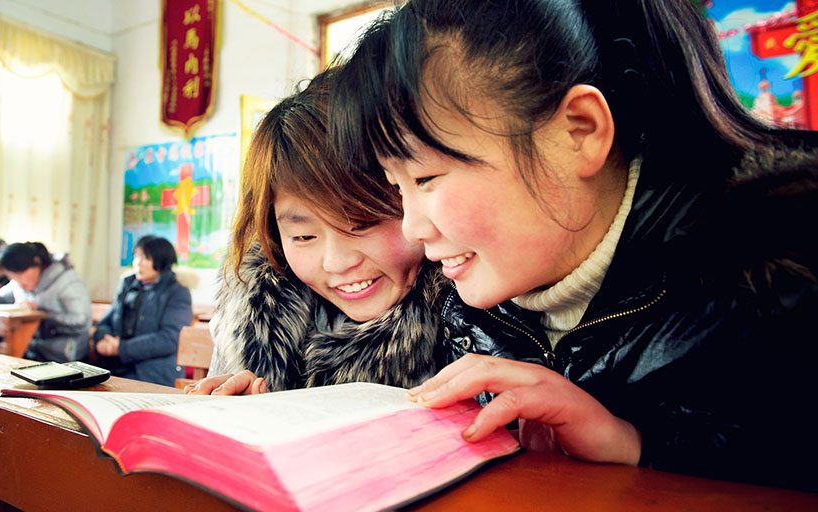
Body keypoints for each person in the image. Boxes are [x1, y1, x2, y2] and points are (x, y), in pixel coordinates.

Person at [329, 0, 818, 491]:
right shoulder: (466, 300)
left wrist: (636, 447)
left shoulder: (779, 279)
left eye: (426, 177)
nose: (412, 229)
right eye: (397, 187)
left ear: (580, 132)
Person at [186, 68, 449, 396]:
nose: (336, 263)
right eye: (303, 237)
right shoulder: (248, 319)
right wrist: (230, 409)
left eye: (363, 223)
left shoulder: (477, 318)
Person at [92, 236, 192, 386]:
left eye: (145, 257)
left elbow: (169, 339)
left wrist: (121, 348)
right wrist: (102, 340)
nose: (137, 262)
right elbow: (106, 322)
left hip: (152, 372)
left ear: (161, 260)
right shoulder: (128, 284)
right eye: (135, 256)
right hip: (115, 366)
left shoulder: (177, 292)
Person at [0, 242, 90, 362]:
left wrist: (42, 314)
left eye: (21, 274)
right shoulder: (20, 282)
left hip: (66, 355)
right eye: (12, 277)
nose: (19, 281)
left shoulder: (67, 280)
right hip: (34, 351)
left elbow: (81, 321)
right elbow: (0, 297)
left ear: (37, 263)